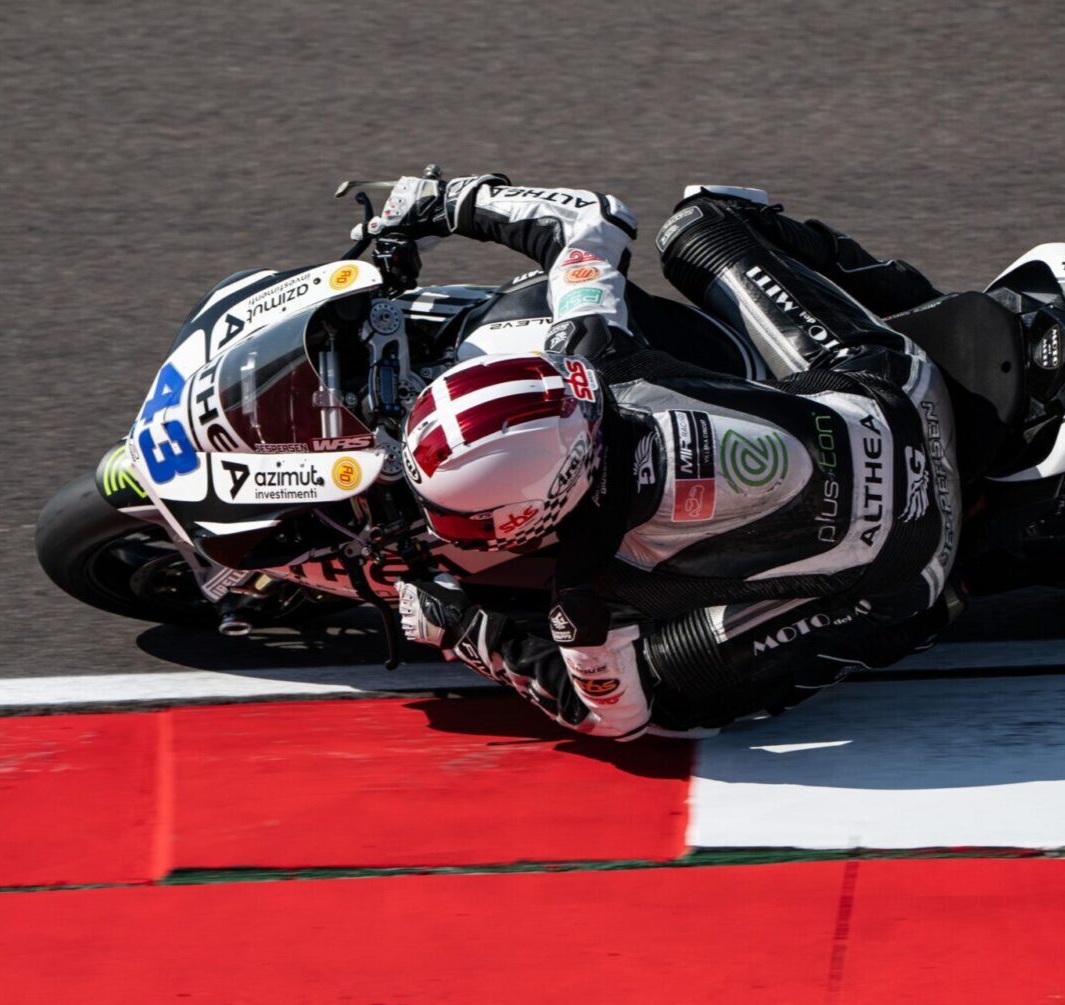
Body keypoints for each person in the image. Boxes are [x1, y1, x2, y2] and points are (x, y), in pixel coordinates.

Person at [369, 173, 970, 740]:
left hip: (917, 561)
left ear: (535, 508)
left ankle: (914, 622)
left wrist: (469, 631)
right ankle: (933, 306)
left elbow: (613, 717)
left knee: (674, 708)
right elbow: (590, 219)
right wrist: (448, 201)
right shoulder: (597, 352)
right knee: (701, 222)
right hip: (904, 391)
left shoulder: (588, 587)